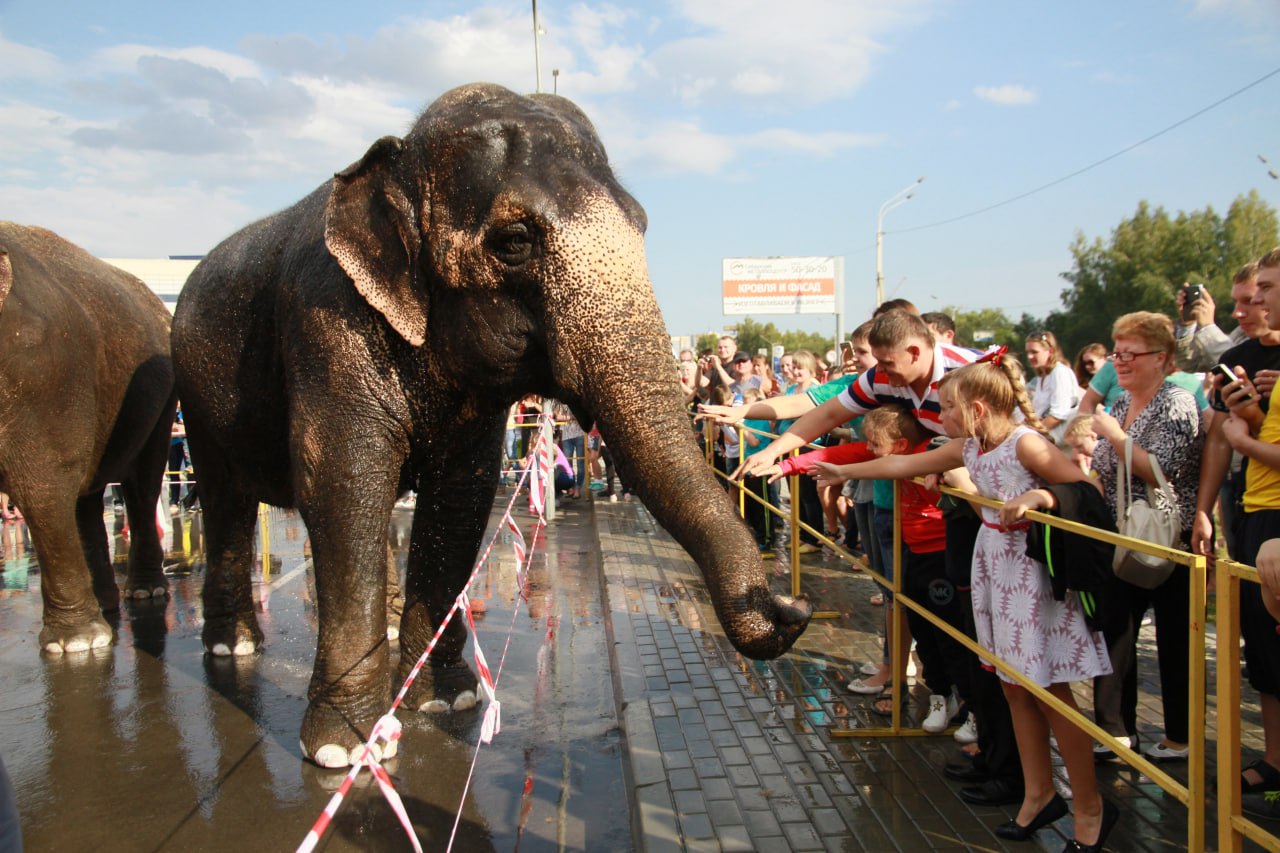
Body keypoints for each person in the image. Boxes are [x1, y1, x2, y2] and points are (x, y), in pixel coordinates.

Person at [804, 353, 1117, 850]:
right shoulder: (969, 447)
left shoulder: (1025, 444)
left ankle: (1090, 806)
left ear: (974, 408)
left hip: (1030, 574)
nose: (939, 417)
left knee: (1051, 691)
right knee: (1013, 687)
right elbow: (902, 462)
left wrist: (1042, 500)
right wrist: (836, 469)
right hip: (994, 567)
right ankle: (1038, 794)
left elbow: (1086, 488)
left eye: (946, 409)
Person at [764, 405, 969, 730]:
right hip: (913, 552)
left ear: (900, 444)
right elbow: (846, 452)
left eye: (875, 443)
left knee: (949, 632)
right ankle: (940, 694)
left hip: (941, 556)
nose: (869, 449)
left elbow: (962, 488)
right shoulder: (896, 449)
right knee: (923, 629)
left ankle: (968, 704)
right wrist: (790, 464)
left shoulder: (932, 453)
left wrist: (946, 477)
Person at [1088, 312, 1203, 764]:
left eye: (1129, 354)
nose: (1119, 362)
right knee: (1114, 631)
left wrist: (1117, 438)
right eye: (1116, 352)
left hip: (1165, 538)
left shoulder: (1177, 402)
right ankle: (1115, 731)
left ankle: (1181, 735)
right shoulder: (1120, 404)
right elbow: (1100, 466)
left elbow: (1164, 467)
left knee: (1176, 637)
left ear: (1162, 358)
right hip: (1121, 536)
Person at [1212, 247, 1280, 816]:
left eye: (1267, 288)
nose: (1256, 301)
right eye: (1251, 291)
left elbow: (1250, 443)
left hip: (1272, 515)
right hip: (1255, 509)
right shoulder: (1243, 358)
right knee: (1262, 642)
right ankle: (1276, 760)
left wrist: (1244, 440)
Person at [1191, 260, 1280, 563]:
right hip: (1249, 498)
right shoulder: (1235, 357)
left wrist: (1251, 419)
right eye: (1237, 301)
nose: (1239, 312)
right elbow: (1218, 439)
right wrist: (1203, 511)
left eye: (1253, 297)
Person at [1175, 279, 1244, 371]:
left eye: (1248, 301)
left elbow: (1239, 368)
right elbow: (1190, 365)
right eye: (1235, 302)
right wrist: (1188, 325)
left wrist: (1208, 328)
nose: (1236, 313)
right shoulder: (1239, 334)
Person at [1025, 330, 1078, 443]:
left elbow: (1058, 414)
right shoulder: (1042, 376)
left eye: (1034, 352)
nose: (1029, 356)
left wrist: (1032, 435)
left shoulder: (1059, 373)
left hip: (1060, 441)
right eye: (1028, 352)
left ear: (1050, 351)